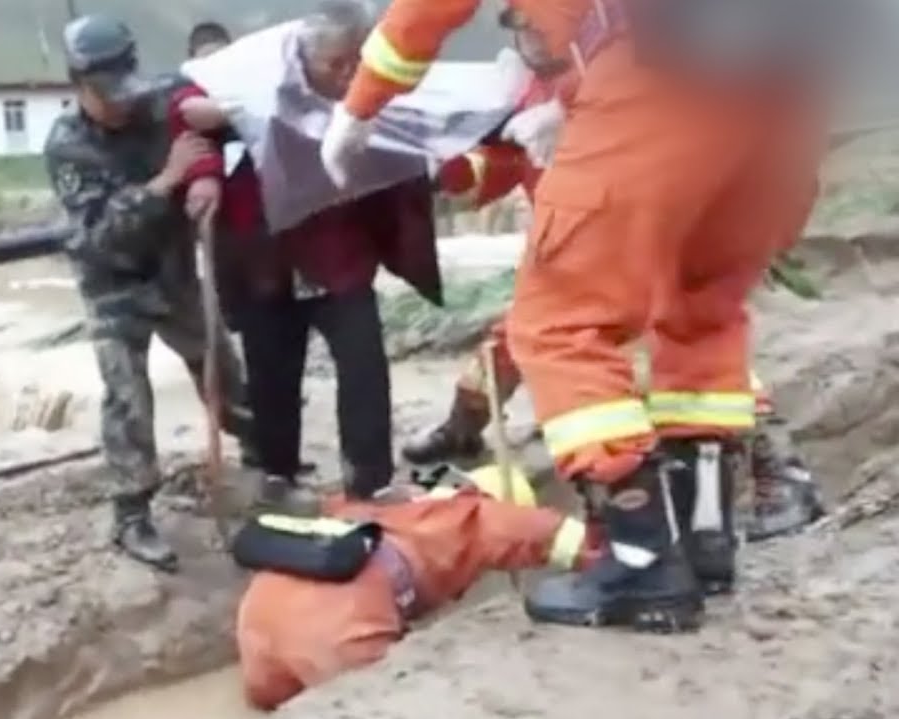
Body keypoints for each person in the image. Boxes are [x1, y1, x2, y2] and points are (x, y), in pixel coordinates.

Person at [320, 0, 826, 632]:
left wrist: (359, 107)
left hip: (656, 82)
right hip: (782, 102)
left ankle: (642, 558)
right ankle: (704, 543)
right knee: (702, 314)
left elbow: (425, 14)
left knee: (557, 326)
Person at [405, 65, 825, 551]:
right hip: (575, 245)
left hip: (643, 233)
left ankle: (771, 473)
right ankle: (464, 427)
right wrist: (440, 172)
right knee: (526, 334)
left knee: (684, 347)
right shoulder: (525, 93)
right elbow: (496, 166)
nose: (529, 30)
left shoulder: (616, 62)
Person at [169, 0, 444, 510]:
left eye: (353, 63)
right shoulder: (257, 74)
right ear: (304, 57)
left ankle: (370, 480)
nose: (345, 75)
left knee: (364, 366)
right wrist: (212, 152)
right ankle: (277, 474)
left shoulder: (377, 89)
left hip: (340, 252)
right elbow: (184, 106)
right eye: (333, 64)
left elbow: (424, 125)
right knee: (272, 368)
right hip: (265, 254)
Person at [44, 14, 260, 573]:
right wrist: (167, 181)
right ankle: (132, 513)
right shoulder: (68, 145)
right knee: (128, 398)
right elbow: (97, 235)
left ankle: (261, 455)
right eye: (106, 95)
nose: (122, 105)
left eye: (124, 88)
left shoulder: (162, 98)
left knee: (219, 365)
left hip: (173, 271)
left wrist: (206, 173)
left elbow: (218, 127)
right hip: (112, 284)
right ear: (78, 84)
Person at [235, 464, 593, 709]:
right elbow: (551, 534)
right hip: (342, 619)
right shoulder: (474, 514)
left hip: (262, 607)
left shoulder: (384, 503)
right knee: (382, 699)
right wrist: (610, 561)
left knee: (269, 702)